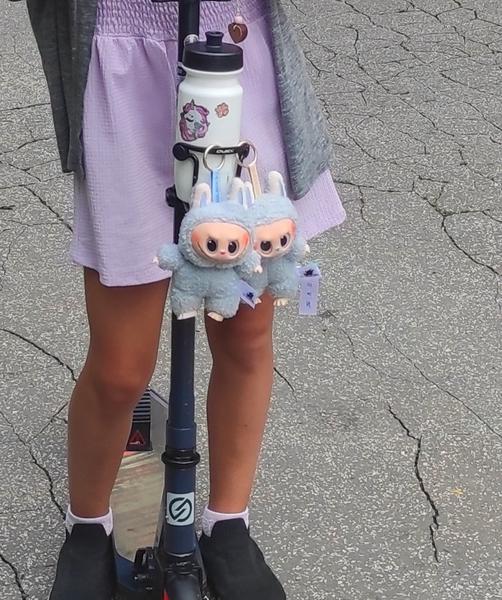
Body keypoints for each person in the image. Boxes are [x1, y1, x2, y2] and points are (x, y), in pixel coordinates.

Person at [26, 0, 346, 598]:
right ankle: (87, 527)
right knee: (120, 369)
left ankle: (228, 524)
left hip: (233, 53)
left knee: (245, 334)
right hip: (119, 62)